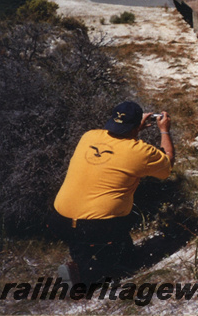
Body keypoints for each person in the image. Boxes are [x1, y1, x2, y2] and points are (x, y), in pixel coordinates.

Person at [49, 101, 174, 284]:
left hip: (60, 220)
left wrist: (133, 129)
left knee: (88, 243)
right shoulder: (140, 152)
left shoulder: (89, 136)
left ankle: (79, 265)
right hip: (97, 226)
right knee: (127, 266)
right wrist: (164, 130)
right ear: (135, 126)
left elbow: (118, 143)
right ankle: (86, 276)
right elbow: (168, 165)